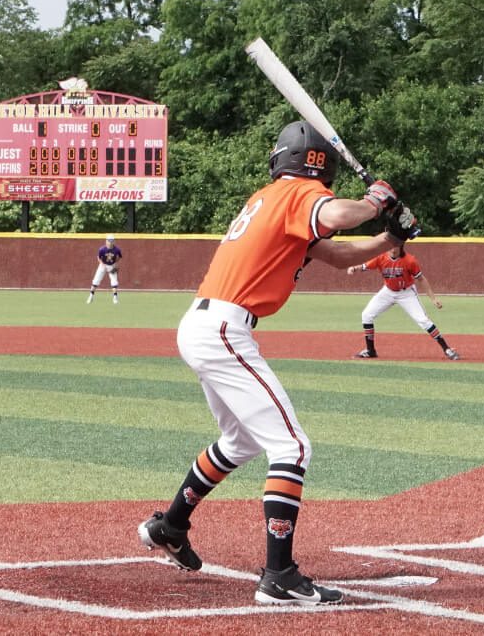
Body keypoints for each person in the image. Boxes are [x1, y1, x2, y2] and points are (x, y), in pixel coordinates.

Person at [137, 120, 418, 606]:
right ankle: (279, 575)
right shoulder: (297, 193)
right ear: (320, 167)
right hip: (224, 330)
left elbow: (337, 255)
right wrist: (376, 201)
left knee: (240, 441)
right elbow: (341, 214)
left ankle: (170, 526)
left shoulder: (271, 198)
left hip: (206, 326)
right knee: (292, 447)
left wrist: (391, 236)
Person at [346, 243, 459, 360]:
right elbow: (365, 266)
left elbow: (421, 279)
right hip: (388, 291)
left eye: (395, 245)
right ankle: (370, 351)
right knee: (366, 315)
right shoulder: (381, 257)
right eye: (390, 245)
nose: (392, 248)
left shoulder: (409, 260)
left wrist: (433, 298)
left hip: (407, 293)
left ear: (400, 246)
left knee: (423, 320)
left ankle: (447, 349)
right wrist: (354, 268)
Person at [87, 234, 122, 304]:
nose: (110, 242)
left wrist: (115, 264)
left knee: (114, 282)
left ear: (114, 241)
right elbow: (99, 258)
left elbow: (120, 257)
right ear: (106, 241)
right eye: (109, 241)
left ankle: (115, 298)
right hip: (103, 265)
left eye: (111, 241)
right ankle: (91, 296)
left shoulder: (117, 249)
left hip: (112, 265)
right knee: (96, 280)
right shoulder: (102, 249)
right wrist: (103, 265)